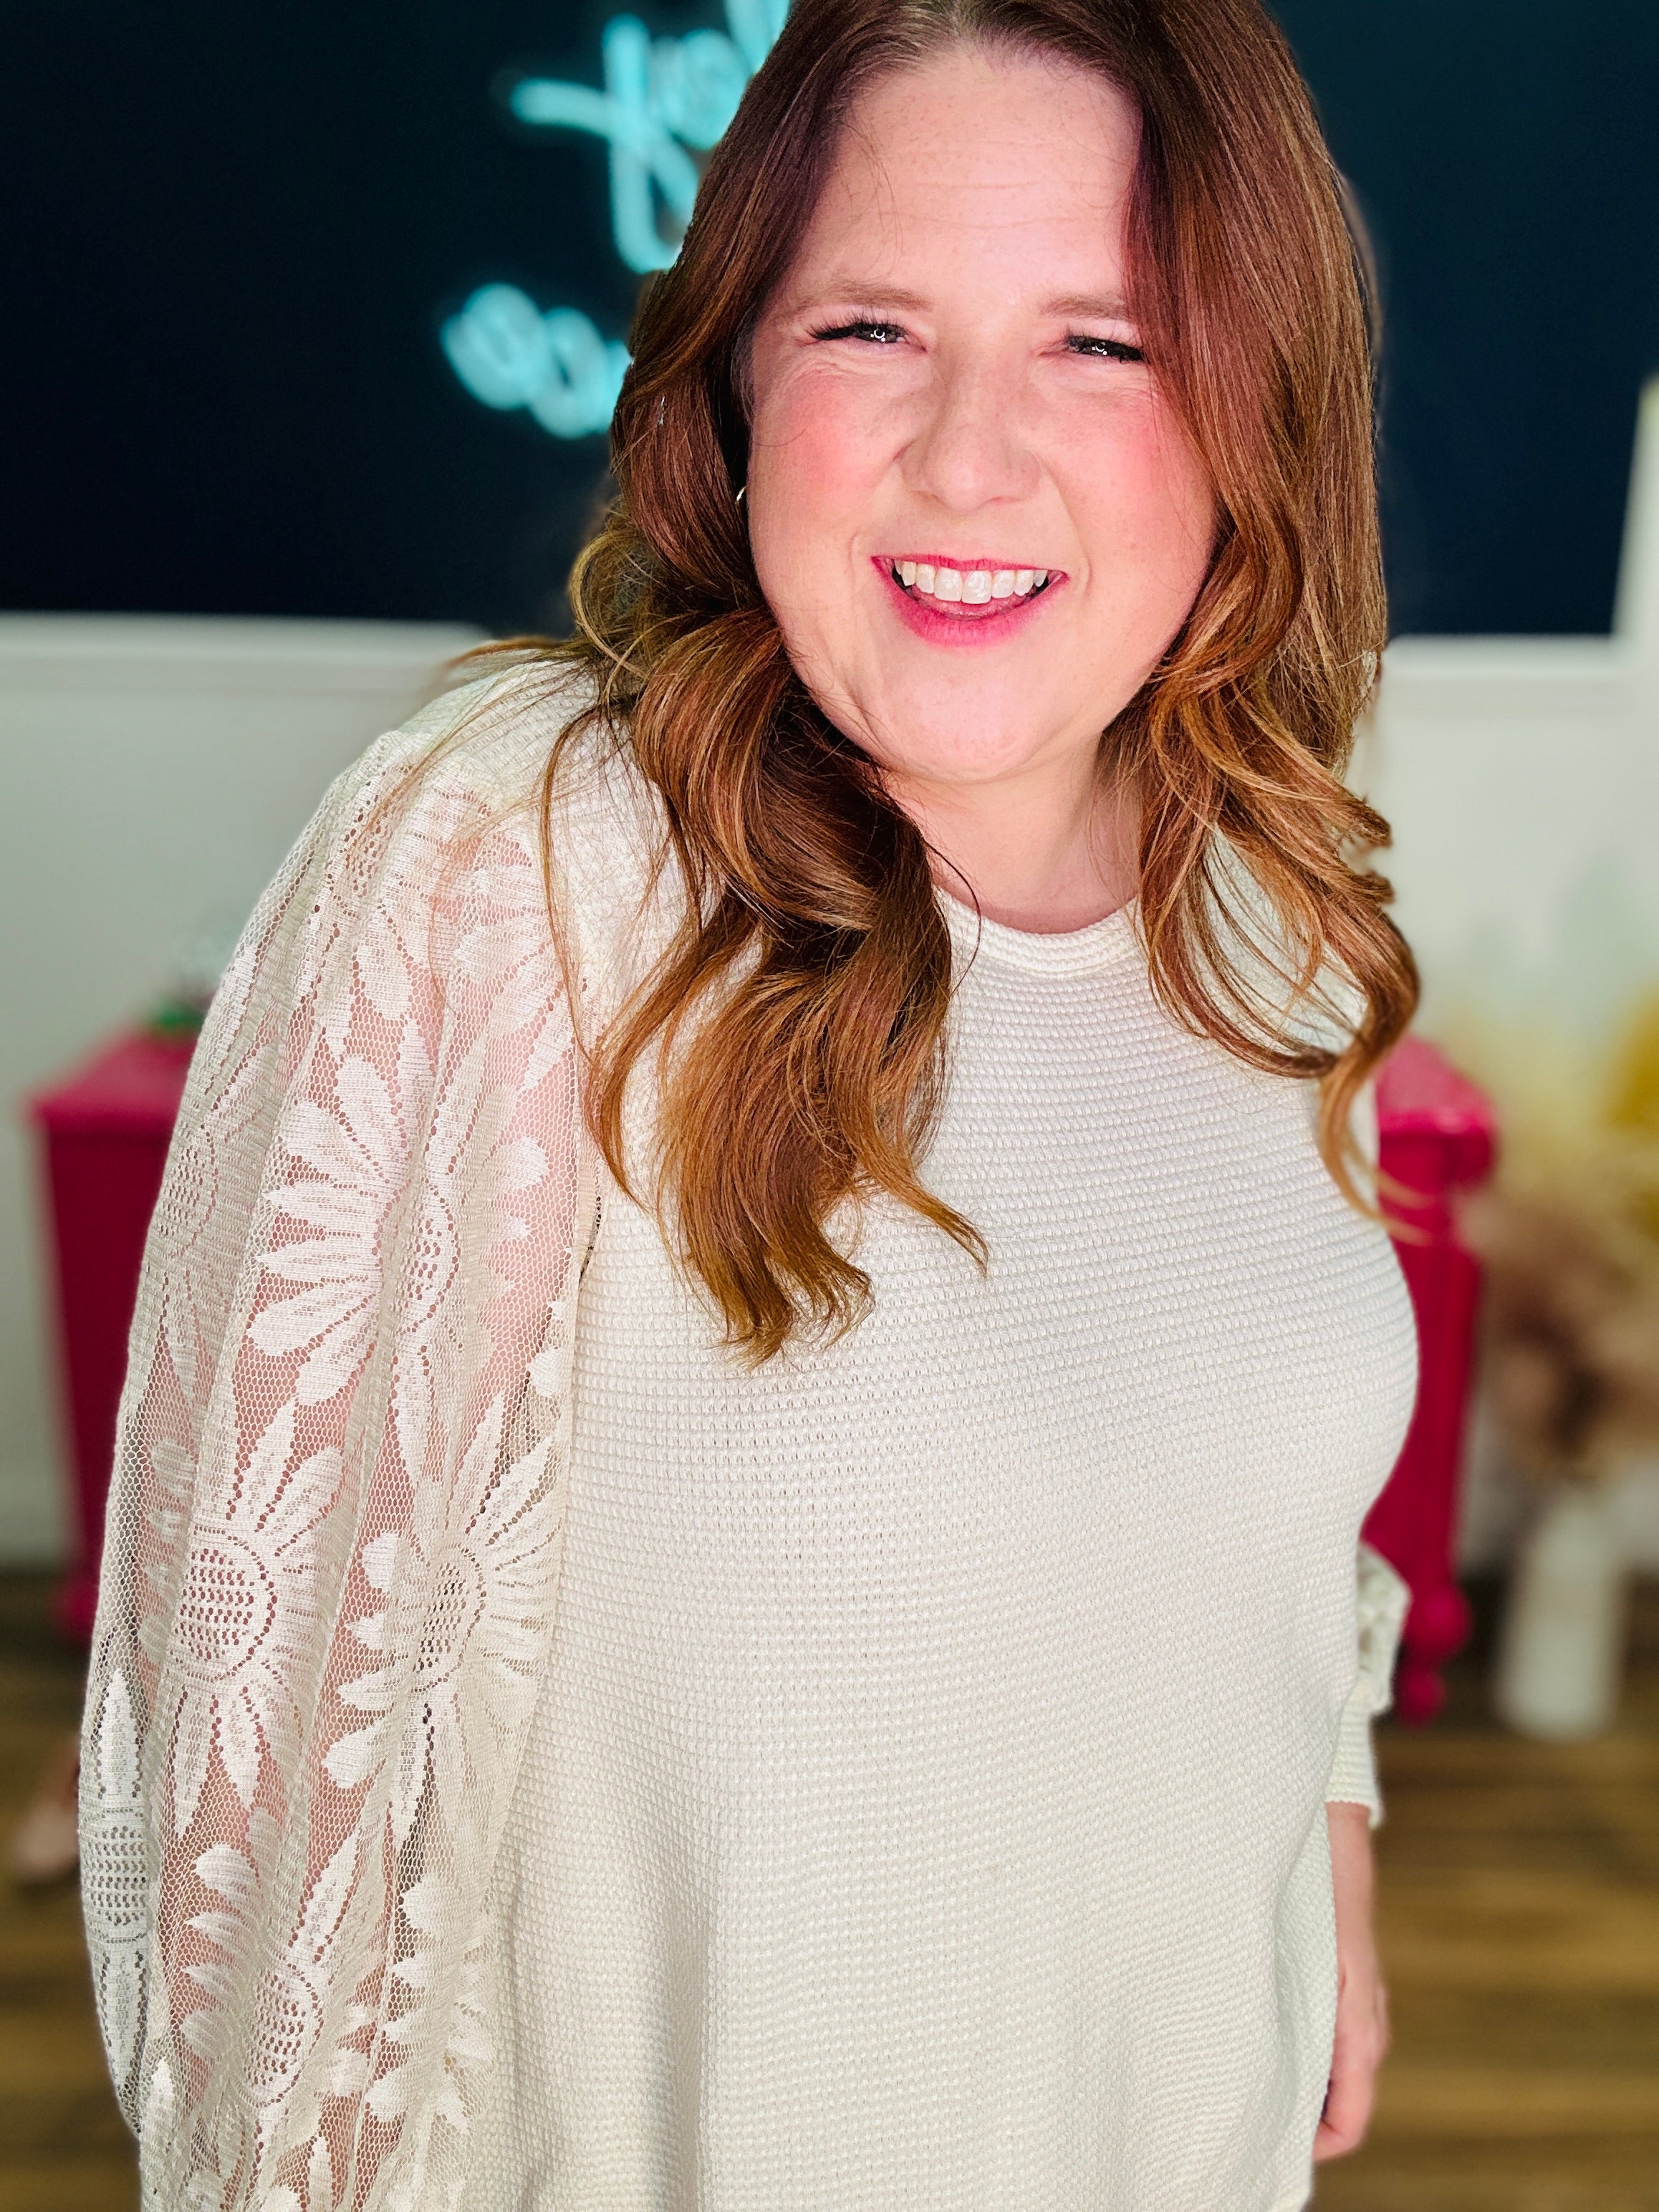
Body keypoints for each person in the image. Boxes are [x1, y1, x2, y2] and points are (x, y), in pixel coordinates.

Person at [80, 1, 1423, 2206]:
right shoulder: (514, 866)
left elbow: (1243, 1494)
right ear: (734, 384)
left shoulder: (1269, 905)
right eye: (870, 326)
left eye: (1102, 343)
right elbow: (260, 1795)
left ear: (1257, 411)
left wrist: (1330, 1837)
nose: (966, 461)